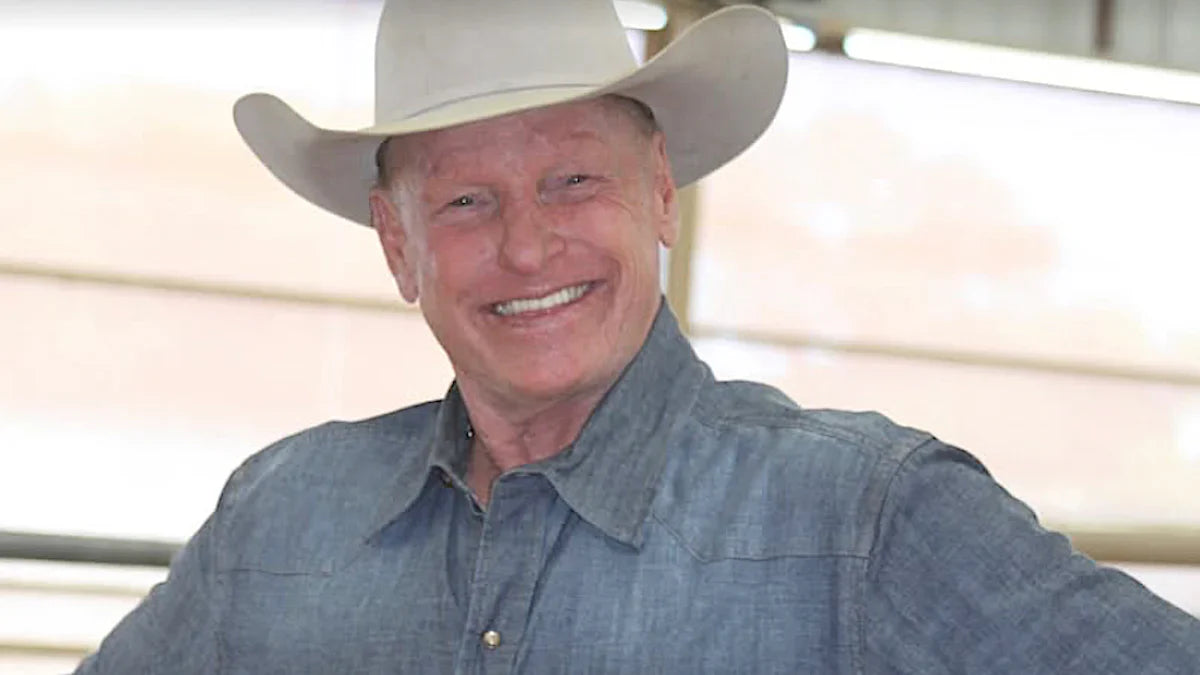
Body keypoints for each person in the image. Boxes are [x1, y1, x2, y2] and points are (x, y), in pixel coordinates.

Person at [77, 1, 1200, 673]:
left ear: (659, 193)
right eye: (467, 201)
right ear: (396, 242)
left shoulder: (863, 518)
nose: (527, 248)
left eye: (573, 181)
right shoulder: (279, 518)